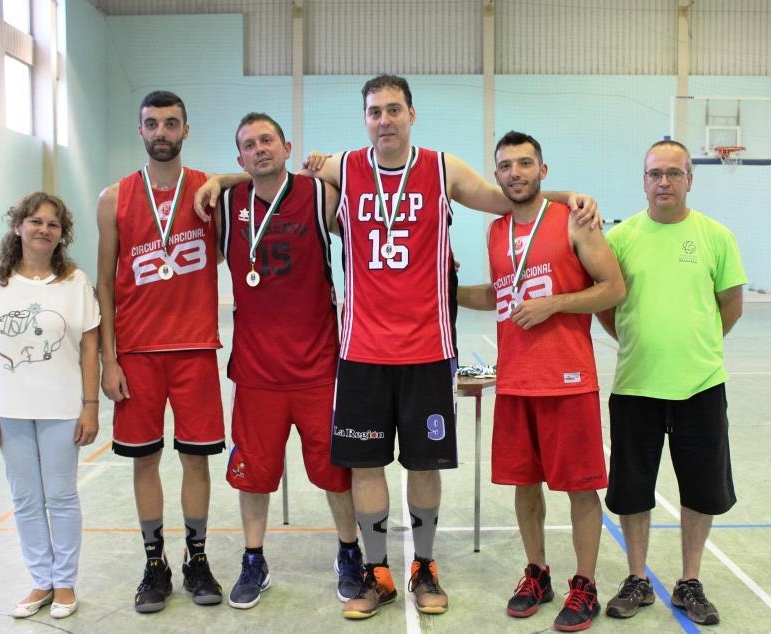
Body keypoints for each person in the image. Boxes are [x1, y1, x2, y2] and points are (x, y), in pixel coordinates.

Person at [200, 74, 601, 620]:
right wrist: (220, 180)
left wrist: (568, 196)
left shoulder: (443, 168)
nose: (384, 119)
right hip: (361, 351)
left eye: (393, 109)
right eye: (374, 111)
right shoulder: (341, 169)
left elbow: (505, 196)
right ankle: (377, 571)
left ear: (412, 114)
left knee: (422, 464)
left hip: (429, 349)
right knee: (365, 467)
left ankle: (424, 567)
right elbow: (271, 175)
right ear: (364, 119)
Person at [457, 131, 625, 631]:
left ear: (543, 171)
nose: (515, 173)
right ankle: (537, 574)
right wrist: (448, 290)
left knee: (579, 488)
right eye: (505, 166)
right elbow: (500, 295)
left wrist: (554, 304)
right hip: (514, 380)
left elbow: (613, 288)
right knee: (524, 484)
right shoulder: (495, 231)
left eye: (525, 163)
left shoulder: (574, 220)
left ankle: (586, 584)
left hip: (568, 379)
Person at [596, 140, 746, 626]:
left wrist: (695, 346)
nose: (664, 182)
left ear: (689, 179)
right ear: (643, 180)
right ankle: (637, 578)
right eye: (655, 174)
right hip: (636, 386)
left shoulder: (716, 236)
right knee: (632, 489)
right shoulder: (619, 240)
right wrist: (642, 343)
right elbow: (604, 307)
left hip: (700, 386)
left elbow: (731, 304)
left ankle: (689, 581)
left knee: (701, 490)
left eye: (674, 174)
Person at [216, 112, 363, 609]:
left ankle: (349, 551)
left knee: (334, 472)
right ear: (239, 158)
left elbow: (373, 211)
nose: (259, 149)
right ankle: (253, 559)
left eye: (267, 140)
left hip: (318, 368)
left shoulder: (320, 195)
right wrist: (217, 180)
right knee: (254, 474)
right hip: (257, 373)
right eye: (249, 145)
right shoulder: (226, 204)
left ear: (286, 146)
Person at [96, 90, 225, 613]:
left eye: (171, 124)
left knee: (197, 461)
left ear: (186, 130)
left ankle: (196, 557)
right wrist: (109, 359)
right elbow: (104, 282)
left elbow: (266, 178)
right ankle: (155, 562)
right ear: (140, 130)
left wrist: (226, 178)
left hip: (195, 349)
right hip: (138, 353)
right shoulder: (115, 197)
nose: (161, 133)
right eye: (152, 124)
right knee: (143, 462)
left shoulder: (210, 191)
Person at [0, 192, 100, 620]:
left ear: (63, 234)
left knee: (60, 496)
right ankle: (40, 580)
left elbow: (89, 348)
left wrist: (90, 405)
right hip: (10, 411)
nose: (44, 229)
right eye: (36, 221)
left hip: (62, 409)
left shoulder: (75, 282)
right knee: (25, 498)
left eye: (53, 224)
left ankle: (64, 583)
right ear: (18, 226)